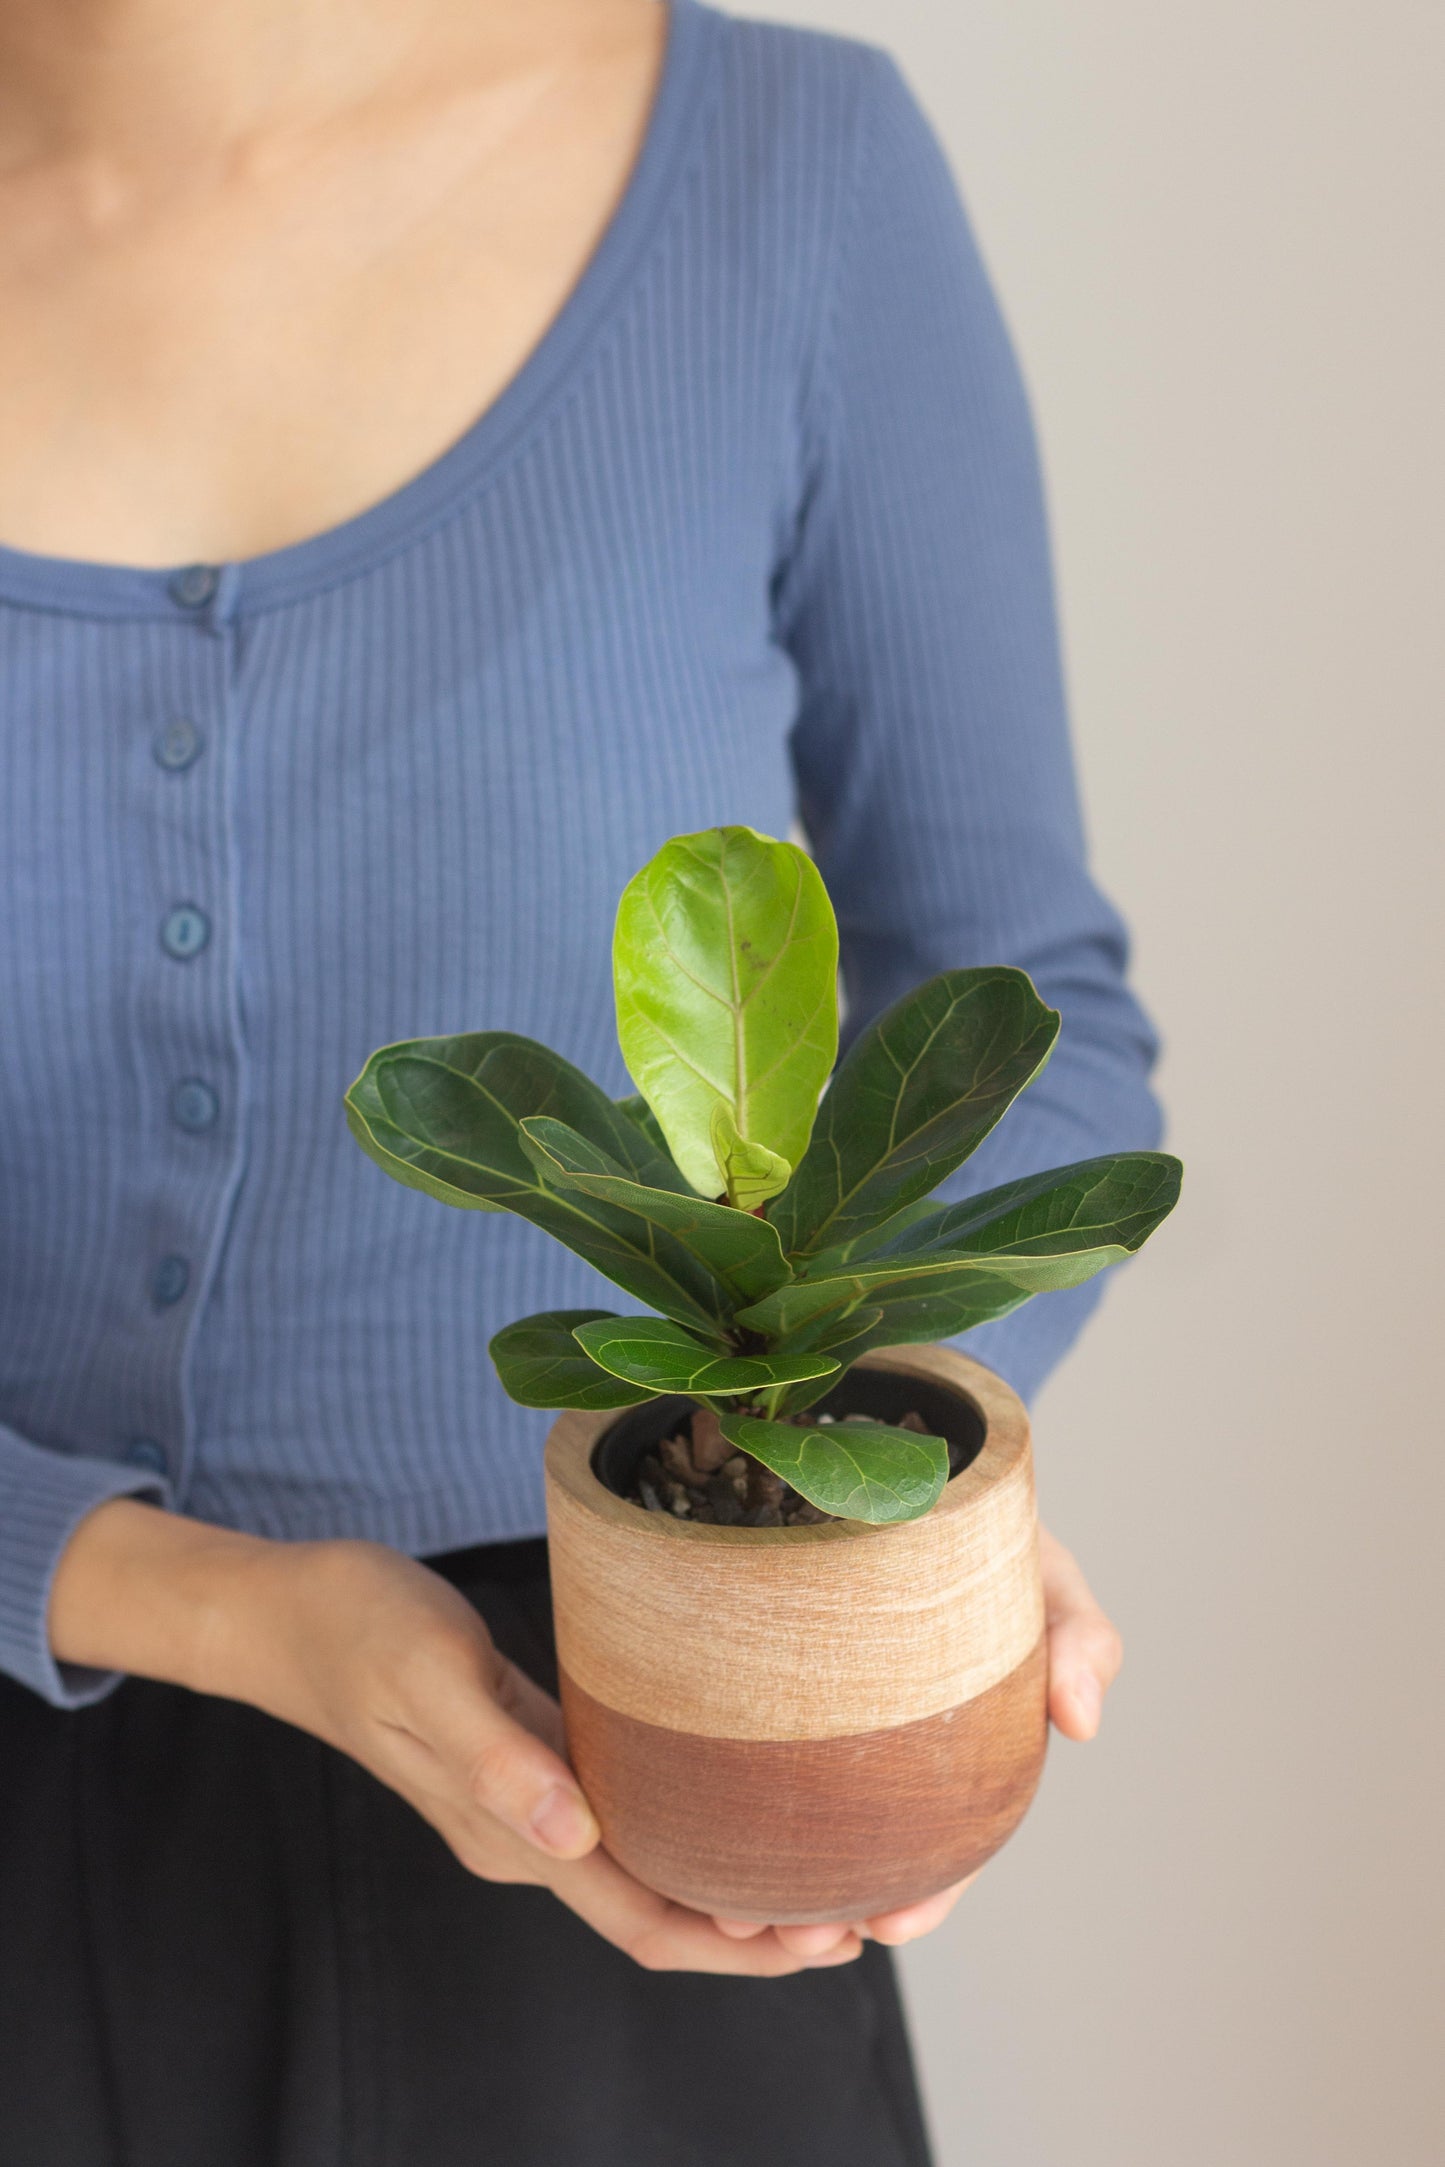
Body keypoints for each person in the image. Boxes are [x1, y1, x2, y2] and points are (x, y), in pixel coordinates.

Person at [0, 1, 1160, 2160]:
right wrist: (206, 1600)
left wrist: (871, 1472)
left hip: (617, 1830)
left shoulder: (782, 174)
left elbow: (1033, 1019)